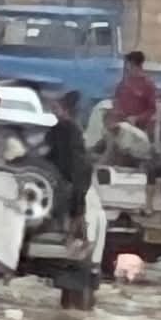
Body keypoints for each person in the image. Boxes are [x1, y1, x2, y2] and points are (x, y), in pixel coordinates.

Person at [44, 90, 91, 232]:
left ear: (66, 110)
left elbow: (76, 159)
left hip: (73, 177)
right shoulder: (56, 129)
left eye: (56, 108)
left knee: (75, 211)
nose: (53, 112)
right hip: (63, 176)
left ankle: (72, 233)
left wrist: (73, 181)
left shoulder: (70, 129)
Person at [111, 50, 158, 127]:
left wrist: (137, 118)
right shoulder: (123, 82)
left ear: (132, 64)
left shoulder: (147, 84)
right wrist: (116, 111)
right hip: (121, 125)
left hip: (138, 127)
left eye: (127, 64)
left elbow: (152, 109)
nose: (125, 67)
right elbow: (116, 99)